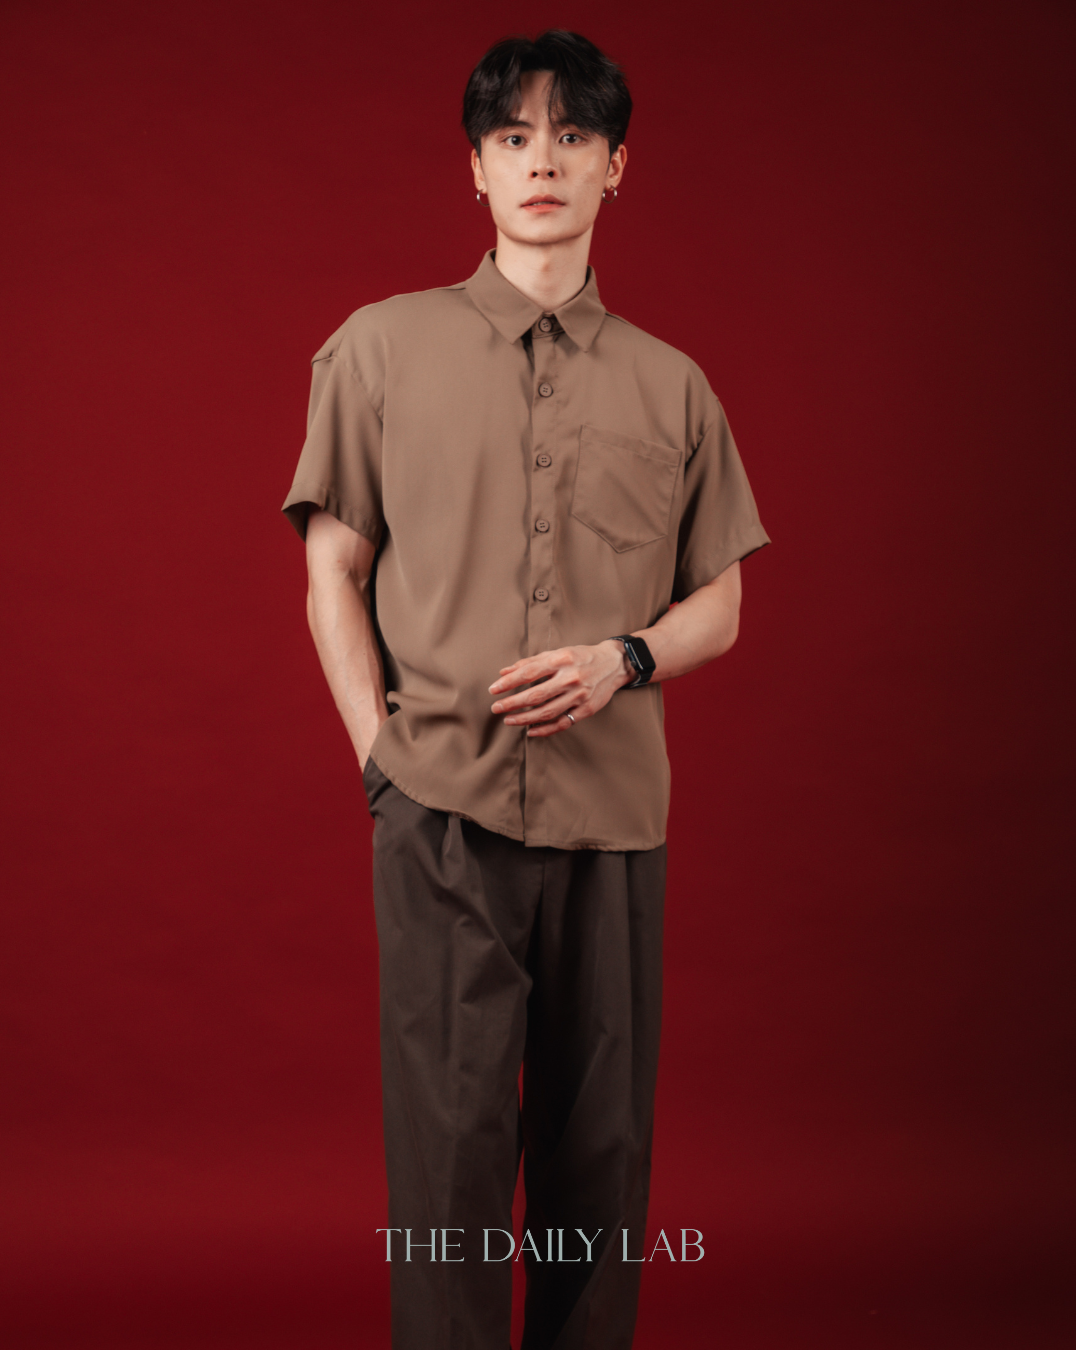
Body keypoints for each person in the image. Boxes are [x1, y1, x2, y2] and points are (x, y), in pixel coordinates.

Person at [281, 29, 769, 1350]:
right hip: (439, 809)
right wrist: (383, 761)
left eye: (570, 136)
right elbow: (333, 572)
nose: (540, 160)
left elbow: (720, 603)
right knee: (448, 1160)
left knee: (600, 1160)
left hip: (616, 821)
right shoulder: (377, 351)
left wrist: (626, 658)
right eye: (512, 138)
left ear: (617, 166)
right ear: (477, 170)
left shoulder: (674, 386)